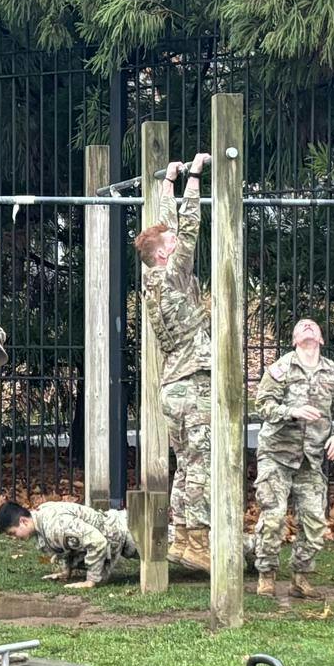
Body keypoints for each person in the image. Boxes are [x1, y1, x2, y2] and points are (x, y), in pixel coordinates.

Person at [133, 150, 213, 573]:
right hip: (193, 379)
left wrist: (168, 182)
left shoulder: (151, 280)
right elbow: (189, 230)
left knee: (186, 463)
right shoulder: (175, 274)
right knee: (203, 462)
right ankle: (198, 539)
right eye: (171, 246)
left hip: (171, 384)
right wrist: (195, 177)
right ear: (165, 255)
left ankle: (183, 536)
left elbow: (167, 229)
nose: (176, 243)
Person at [251, 318, 334, 601]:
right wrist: (292, 411)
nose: (308, 327)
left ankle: (300, 578)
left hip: (311, 459)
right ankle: (266, 575)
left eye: (313, 326)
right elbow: (262, 405)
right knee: (273, 518)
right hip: (277, 455)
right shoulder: (280, 370)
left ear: (322, 339)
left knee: (314, 522)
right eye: (302, 326)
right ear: (294, 339)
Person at [0, 499, 138, 588]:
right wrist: (66, 571)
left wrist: (91, 581)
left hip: (131, 533)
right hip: (122, 528)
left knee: (157, 555)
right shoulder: (40, 516)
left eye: (12, 533)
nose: (14, 538)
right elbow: (65, 545)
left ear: (23, 521)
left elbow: (98, 541)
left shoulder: (56, 525)